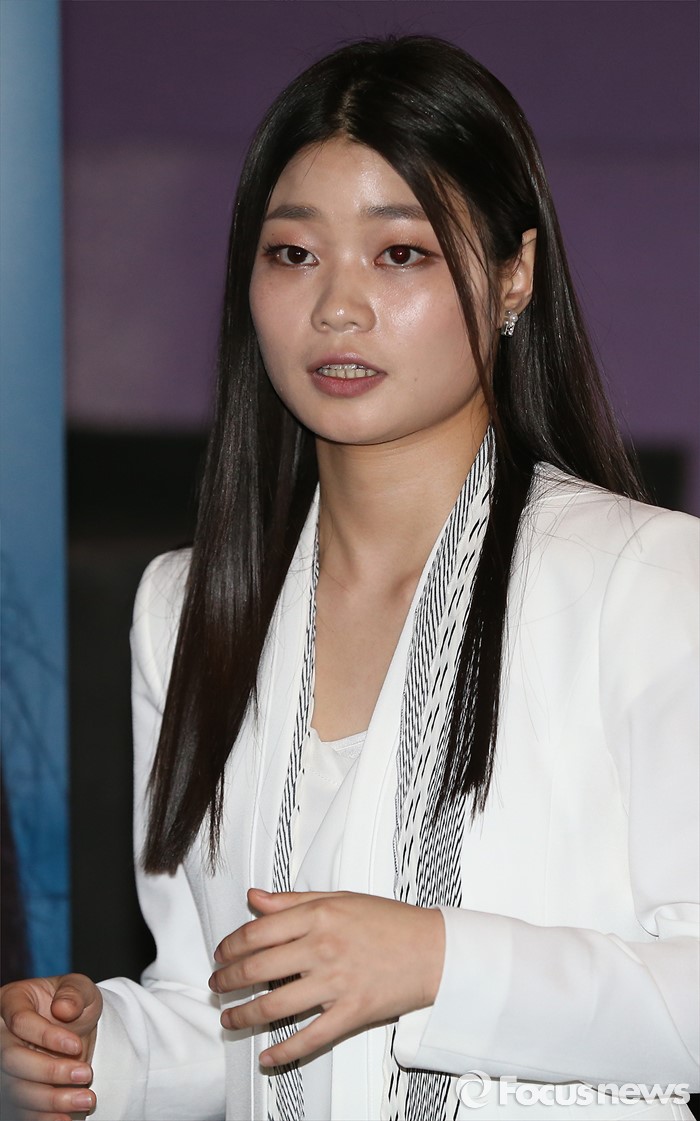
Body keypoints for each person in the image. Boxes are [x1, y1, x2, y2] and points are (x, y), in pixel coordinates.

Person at [1, 34, 698, 1121]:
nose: (337, 306)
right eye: (293, 253)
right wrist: (96, 1052)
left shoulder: (646, 578)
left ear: (514, 274)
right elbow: (224, 1010)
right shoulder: (185, 606)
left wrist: (436, 958)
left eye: (400, 253)